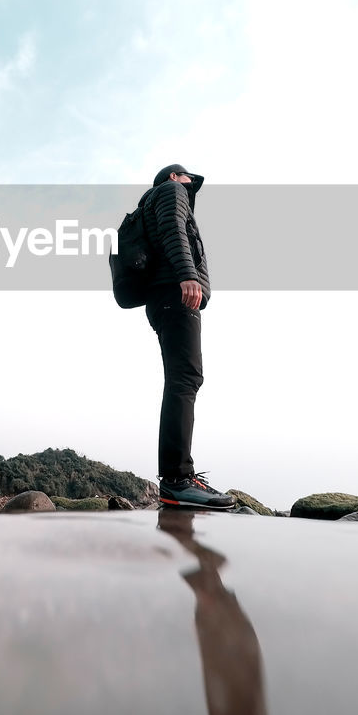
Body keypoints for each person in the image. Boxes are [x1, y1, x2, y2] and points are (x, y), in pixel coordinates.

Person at [141, 164, 235, 509]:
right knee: (185, 378)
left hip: (163, 297)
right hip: (176, 294)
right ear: (172, 177)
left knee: (183, 378)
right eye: (186, 177)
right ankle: (177, 480)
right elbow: (172, 230)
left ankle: (179, 477)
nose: (190, 184)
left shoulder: (152, 202)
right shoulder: (170, 192)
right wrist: (187, 275)